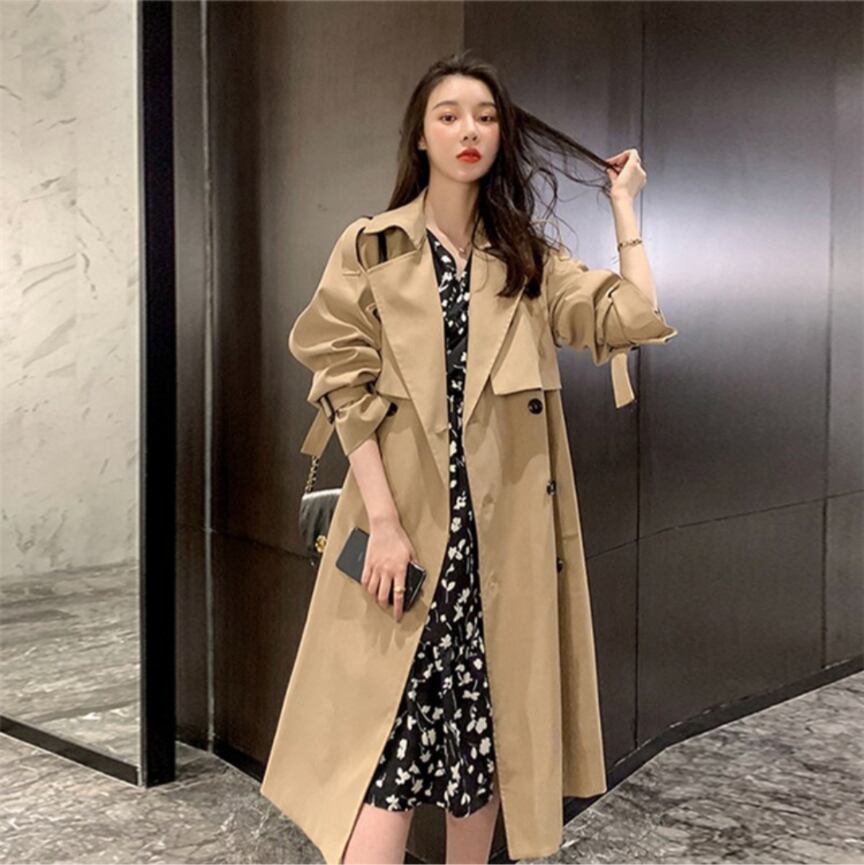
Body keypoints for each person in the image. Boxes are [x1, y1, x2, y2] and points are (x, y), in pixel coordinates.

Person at [261, 48, 677, 865]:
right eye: (449, 115)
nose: (469, 131)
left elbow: (631, 314)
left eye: (485, 117)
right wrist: (383, 523)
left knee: (480, 756)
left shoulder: (527, 260)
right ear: (421, 135)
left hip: (500, 555)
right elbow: (343, 385)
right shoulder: (373, 247)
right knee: (381, 758)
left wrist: (623, 206)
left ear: (501, 135)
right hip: (406, 546)